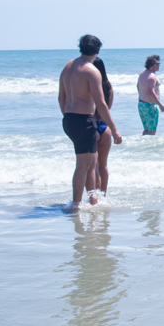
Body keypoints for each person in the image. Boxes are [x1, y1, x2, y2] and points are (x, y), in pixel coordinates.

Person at [57, 35, 122, 212]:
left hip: (69, 118)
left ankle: (92, 200)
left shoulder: (68, 66)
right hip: (83, 120)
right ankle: (76, 204)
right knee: (83, 165)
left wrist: (67, 117)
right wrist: (114, 129)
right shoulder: (91, 71)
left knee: (90, 163)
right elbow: (101, 104)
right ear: (98, 50)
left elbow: (61, 97)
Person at [86, 57, 116, 196]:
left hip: (91, 124)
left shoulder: (89, 84)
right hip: (105, 126)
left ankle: (94, 197)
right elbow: (107, 107)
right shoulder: (108, 86)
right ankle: (103, 195)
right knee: (103, 165)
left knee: (92, 166)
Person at [137, 55, 164, 135]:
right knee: (152, 130)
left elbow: (138, 86)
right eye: (157, 64)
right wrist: (160, 105)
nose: (159, 65)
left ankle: (143, 142)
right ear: (152, 65)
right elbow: (150, 91)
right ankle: (149, 143)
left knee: (146, 129)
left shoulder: (142, 73)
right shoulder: (152, 76)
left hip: (142, 104)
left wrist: (142, 96)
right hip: (150, 106)